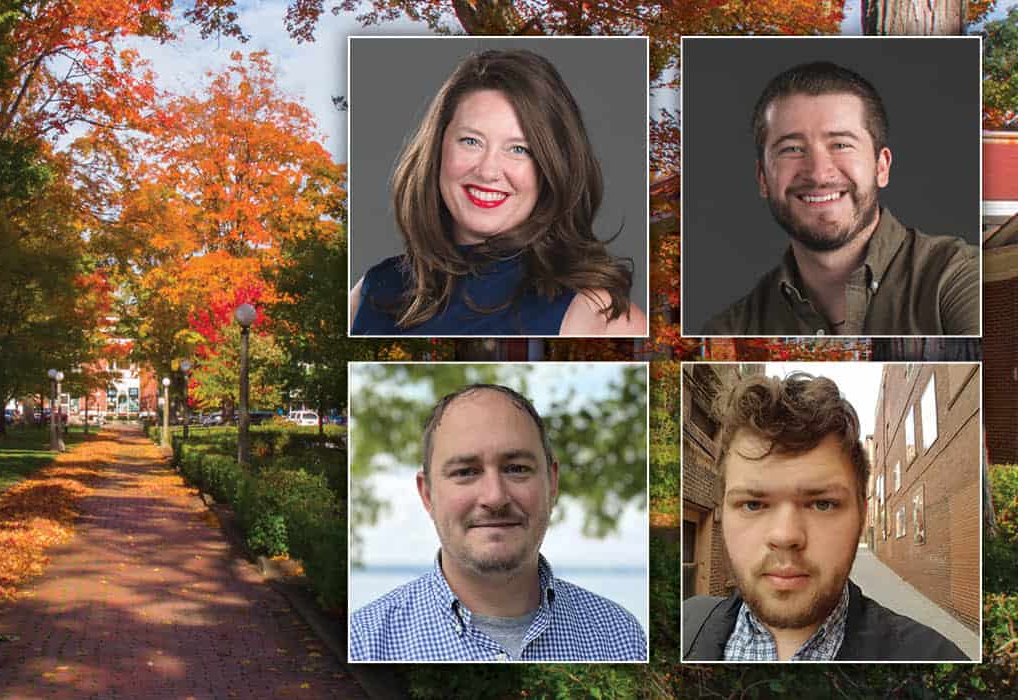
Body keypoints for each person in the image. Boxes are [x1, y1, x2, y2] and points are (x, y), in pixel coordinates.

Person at [349, 49, 646, 336]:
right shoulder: (372, 290)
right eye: (470, 141)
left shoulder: (599, 317)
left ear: (553, 166)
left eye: (519, 149)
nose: (488, 171)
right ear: (437, 149)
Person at [682, 373, 969, 661]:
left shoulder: (937, 658)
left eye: (822, 504)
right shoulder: (685, 626)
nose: (785, 536)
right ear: (722, 512)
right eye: (753, 505)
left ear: (862, 516)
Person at [350, 384, 647, 662]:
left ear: (551, 483)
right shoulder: (364, 644)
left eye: (516, 468)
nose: (495, 497)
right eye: (466, 471)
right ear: (427, 494)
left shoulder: (620, 637)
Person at [702, 61, 978, 336]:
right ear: (763, 178)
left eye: (841, 145)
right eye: (792, 148)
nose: (819, 173)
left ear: (881, 167)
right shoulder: (730, 332)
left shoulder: (959, 279)